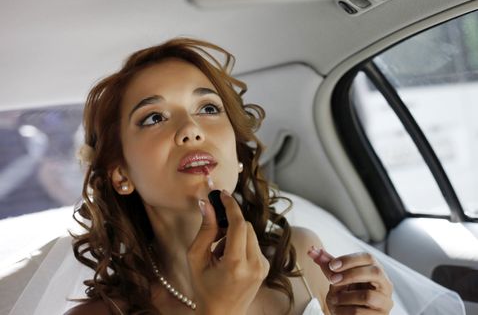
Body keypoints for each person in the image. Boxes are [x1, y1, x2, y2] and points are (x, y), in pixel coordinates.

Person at [65, 38, 394, 315]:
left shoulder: (301, 255)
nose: (191, 130)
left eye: (208, 109)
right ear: (121, 174)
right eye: (154, 117)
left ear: (237, 156)